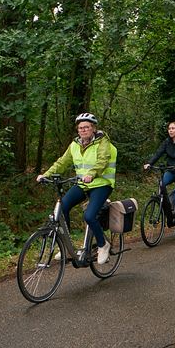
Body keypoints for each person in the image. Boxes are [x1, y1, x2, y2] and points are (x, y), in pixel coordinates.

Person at [37, 112, 117, 264]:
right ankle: (67, 247)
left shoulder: (103, 143)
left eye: (86, 127)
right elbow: (62, 162)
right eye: (80, 128)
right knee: (63, 207)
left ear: (93, 128)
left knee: (89, 216)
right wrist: (45, 175)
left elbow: (103, 160)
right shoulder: (75, 144)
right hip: (83, 184)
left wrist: (92, 174)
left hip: (102, 184)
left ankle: (103, 245)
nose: (83, 130)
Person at [144, 120, 175, 236]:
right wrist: (149, 163)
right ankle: (168, 213)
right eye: (169, 129)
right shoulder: (166, 142)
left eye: (173, 128)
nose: (170, 130)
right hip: (170, 170)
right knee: (161, 186)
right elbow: (158, 153)